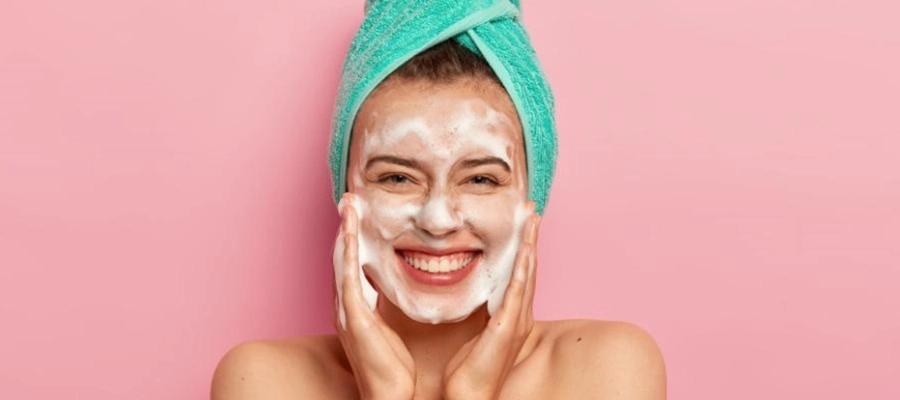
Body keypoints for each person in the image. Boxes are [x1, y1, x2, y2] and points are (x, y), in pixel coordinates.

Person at [212, 2, 665, 399]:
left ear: (532, 197)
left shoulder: (606, 371)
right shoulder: (263, 382)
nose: (438, 219)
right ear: (347, 193)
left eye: (481, 179)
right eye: (397, 177)